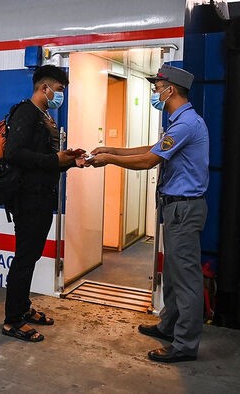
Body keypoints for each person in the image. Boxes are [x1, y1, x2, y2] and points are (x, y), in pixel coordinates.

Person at [87, 64, 209, 363]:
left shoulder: (185, 124)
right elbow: (152, 147)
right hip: (176, 207)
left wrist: (109, 160)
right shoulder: (179, 121)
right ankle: (169, 325)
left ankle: (184, 344)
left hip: (183, 208)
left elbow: (148, 160)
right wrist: (112, 148)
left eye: (158, 85)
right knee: (172, 273)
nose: (156, 90)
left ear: (172, 89)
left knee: (186, 278)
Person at [1, 64, 87, 342]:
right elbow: (14, 153)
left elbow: (43, 159)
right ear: (44, 88)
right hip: (27, 199)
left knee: (31, 255)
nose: (60, 95)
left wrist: (68, 160)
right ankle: (12, 320)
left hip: (41, 197)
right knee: (24, 258)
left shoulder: (44, 116)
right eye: (59, 90)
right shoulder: (27, 112)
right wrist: (54, 160)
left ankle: (23, 309)